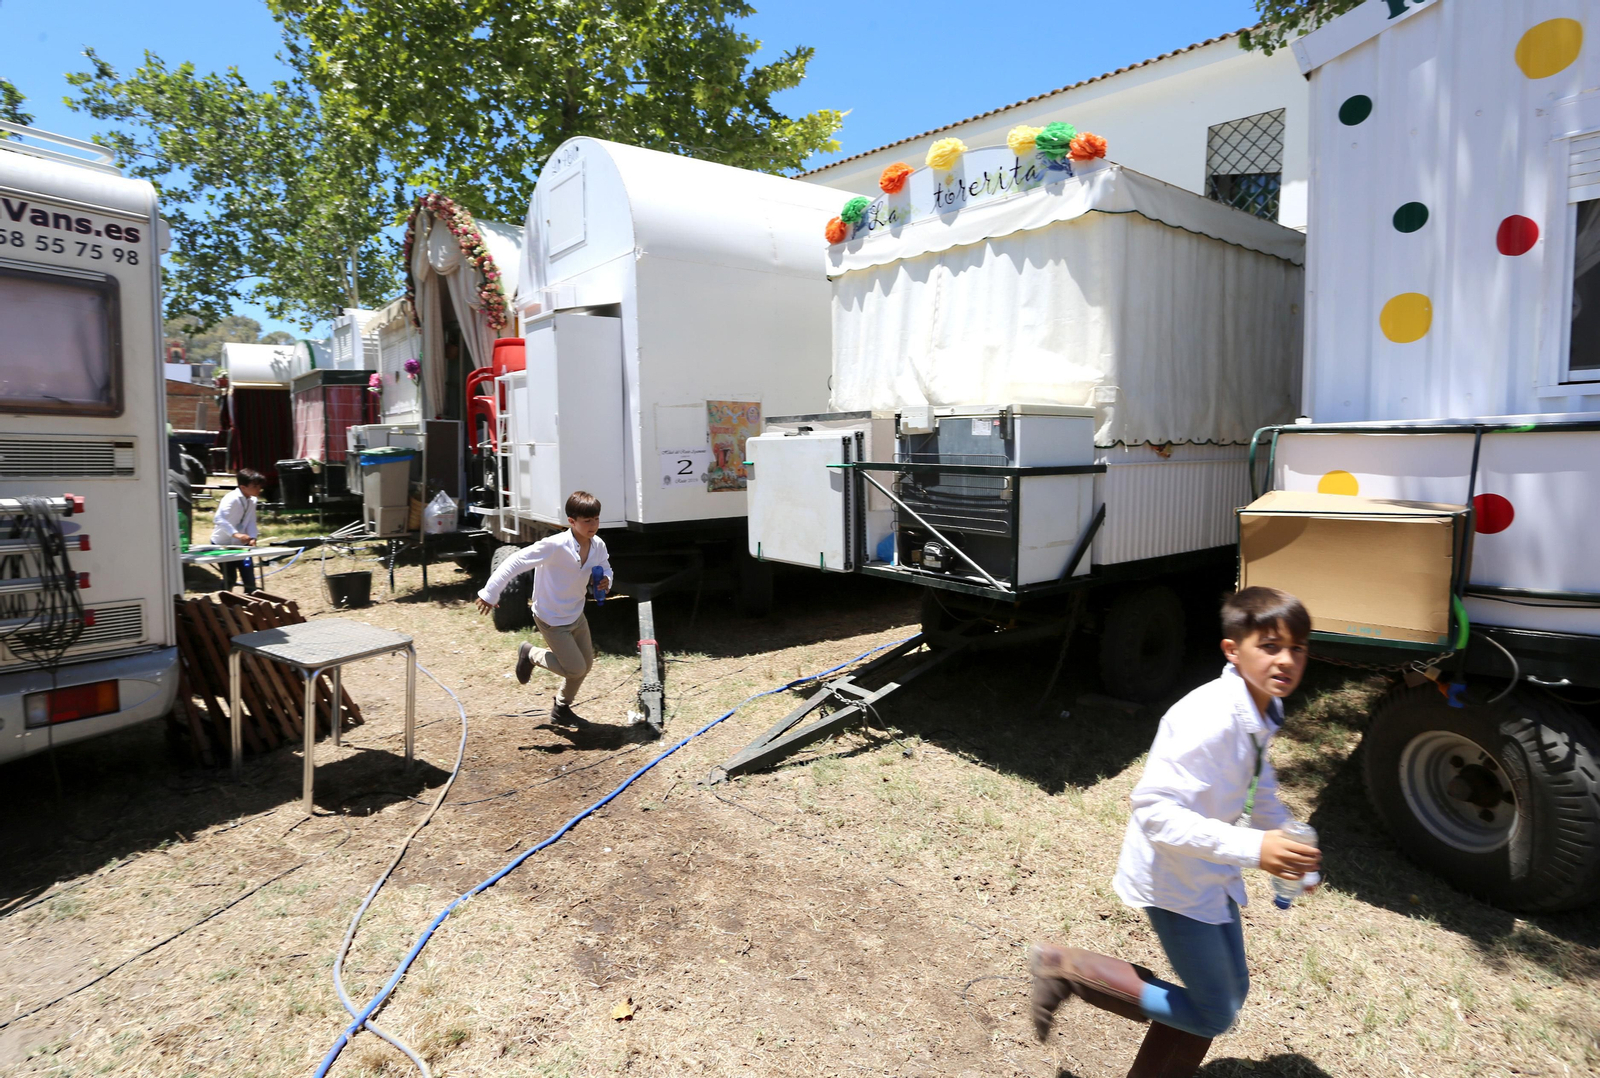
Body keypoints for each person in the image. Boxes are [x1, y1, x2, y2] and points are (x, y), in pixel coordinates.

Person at [1030, 586, 1322, 1050]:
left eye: (1297, 648)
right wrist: (1254, 848)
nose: (1287, 660)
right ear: (1232, 649)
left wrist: (1290, 850)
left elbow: (1260, 788)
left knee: (1228, 996)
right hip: (1173, 878)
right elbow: (1154, 812)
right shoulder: (1208, 716)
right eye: (1270, 646)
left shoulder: (1263, 708)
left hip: (1209, 869)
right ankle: (1067, 968)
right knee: (1213, 1013)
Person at [475, 491, 613, 724]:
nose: (593, 525)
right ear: (571, 521)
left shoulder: (597, 545)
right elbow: (515, 561)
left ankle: (561, 708)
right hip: (551, 618)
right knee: (576, 669)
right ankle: (530, 654)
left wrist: (607, 580)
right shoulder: (555, 546)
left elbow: (605, 567)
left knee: (585, 666)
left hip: (576, 614)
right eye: (587, 521)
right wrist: (490, 592)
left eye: (596, 519)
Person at [211, 468, 265, 592]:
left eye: (259, 485)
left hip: (241, 545)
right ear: (243, 487)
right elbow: (219, 518)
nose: (259, 489)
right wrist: (236, 534)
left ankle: (251, 604)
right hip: (222, 544)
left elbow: (251, 520)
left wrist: (252, 537)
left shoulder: (252, 500)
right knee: (230, 578)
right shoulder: (231, 498)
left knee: (249, 579)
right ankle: (225, 606)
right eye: (255, 486)